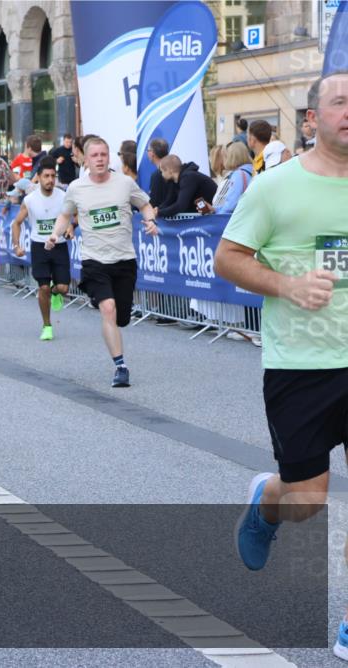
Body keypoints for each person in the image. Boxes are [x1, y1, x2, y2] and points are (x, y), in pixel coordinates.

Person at [215, 71, 348, 661]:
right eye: (340, 102)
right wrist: (289, 286)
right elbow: (228, 258)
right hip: (302, 365)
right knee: (306, 501)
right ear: (312, 119)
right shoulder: (274, 187)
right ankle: (267, 500)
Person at [45, 136, 160, 387]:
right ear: (85, 160)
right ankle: (121, 367)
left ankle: (116, 323)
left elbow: (145, 205)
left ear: (109, 157)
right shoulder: (76, 188)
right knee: (108, 308)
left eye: (103, 155)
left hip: (124, 259)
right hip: (94, 260)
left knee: (121, 317)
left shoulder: (125, 183)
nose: (99, 159)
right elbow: (64, 215)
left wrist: (150, 221)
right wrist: (55, 234)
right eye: (94, 155)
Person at [11, 157, 70, 340]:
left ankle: (55, 292)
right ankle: (47, 326)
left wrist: (70, 228)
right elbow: (16, 223)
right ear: (38, 177)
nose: (50, 180)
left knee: (63, 288)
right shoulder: (30, 200)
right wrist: (17, 246)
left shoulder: (63, 196)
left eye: (53, 176)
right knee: (43, 288)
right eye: (46, 176)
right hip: (39, 247)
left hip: (59, 246)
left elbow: (72, 216)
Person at [208, 142, 254, 215]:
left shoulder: (238, 175)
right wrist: (215, 210)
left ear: (231, 157)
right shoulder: (252, 170)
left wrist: (216, 214)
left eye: (225, 156)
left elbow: (231, 205)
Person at [145, 138, 177, 208]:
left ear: (152, 153)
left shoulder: (157, 175)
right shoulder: (174, 170)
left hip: (162, 213)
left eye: (148, 150)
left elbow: (154, 203)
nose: (147, 153)